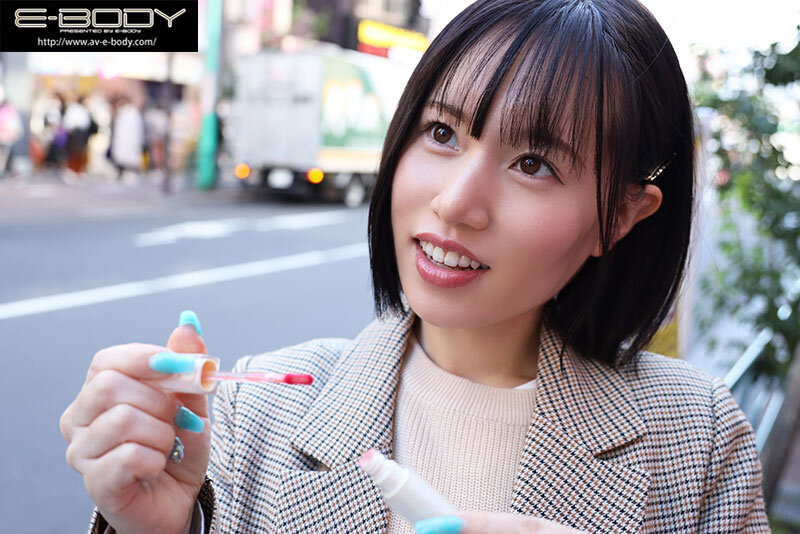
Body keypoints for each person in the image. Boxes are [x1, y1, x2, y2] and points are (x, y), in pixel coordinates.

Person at [60, 1, 769, 533]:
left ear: (618, 218)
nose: (455, 203)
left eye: (533, 163)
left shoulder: (699, 440)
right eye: (442, 132)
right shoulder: (253, 415)